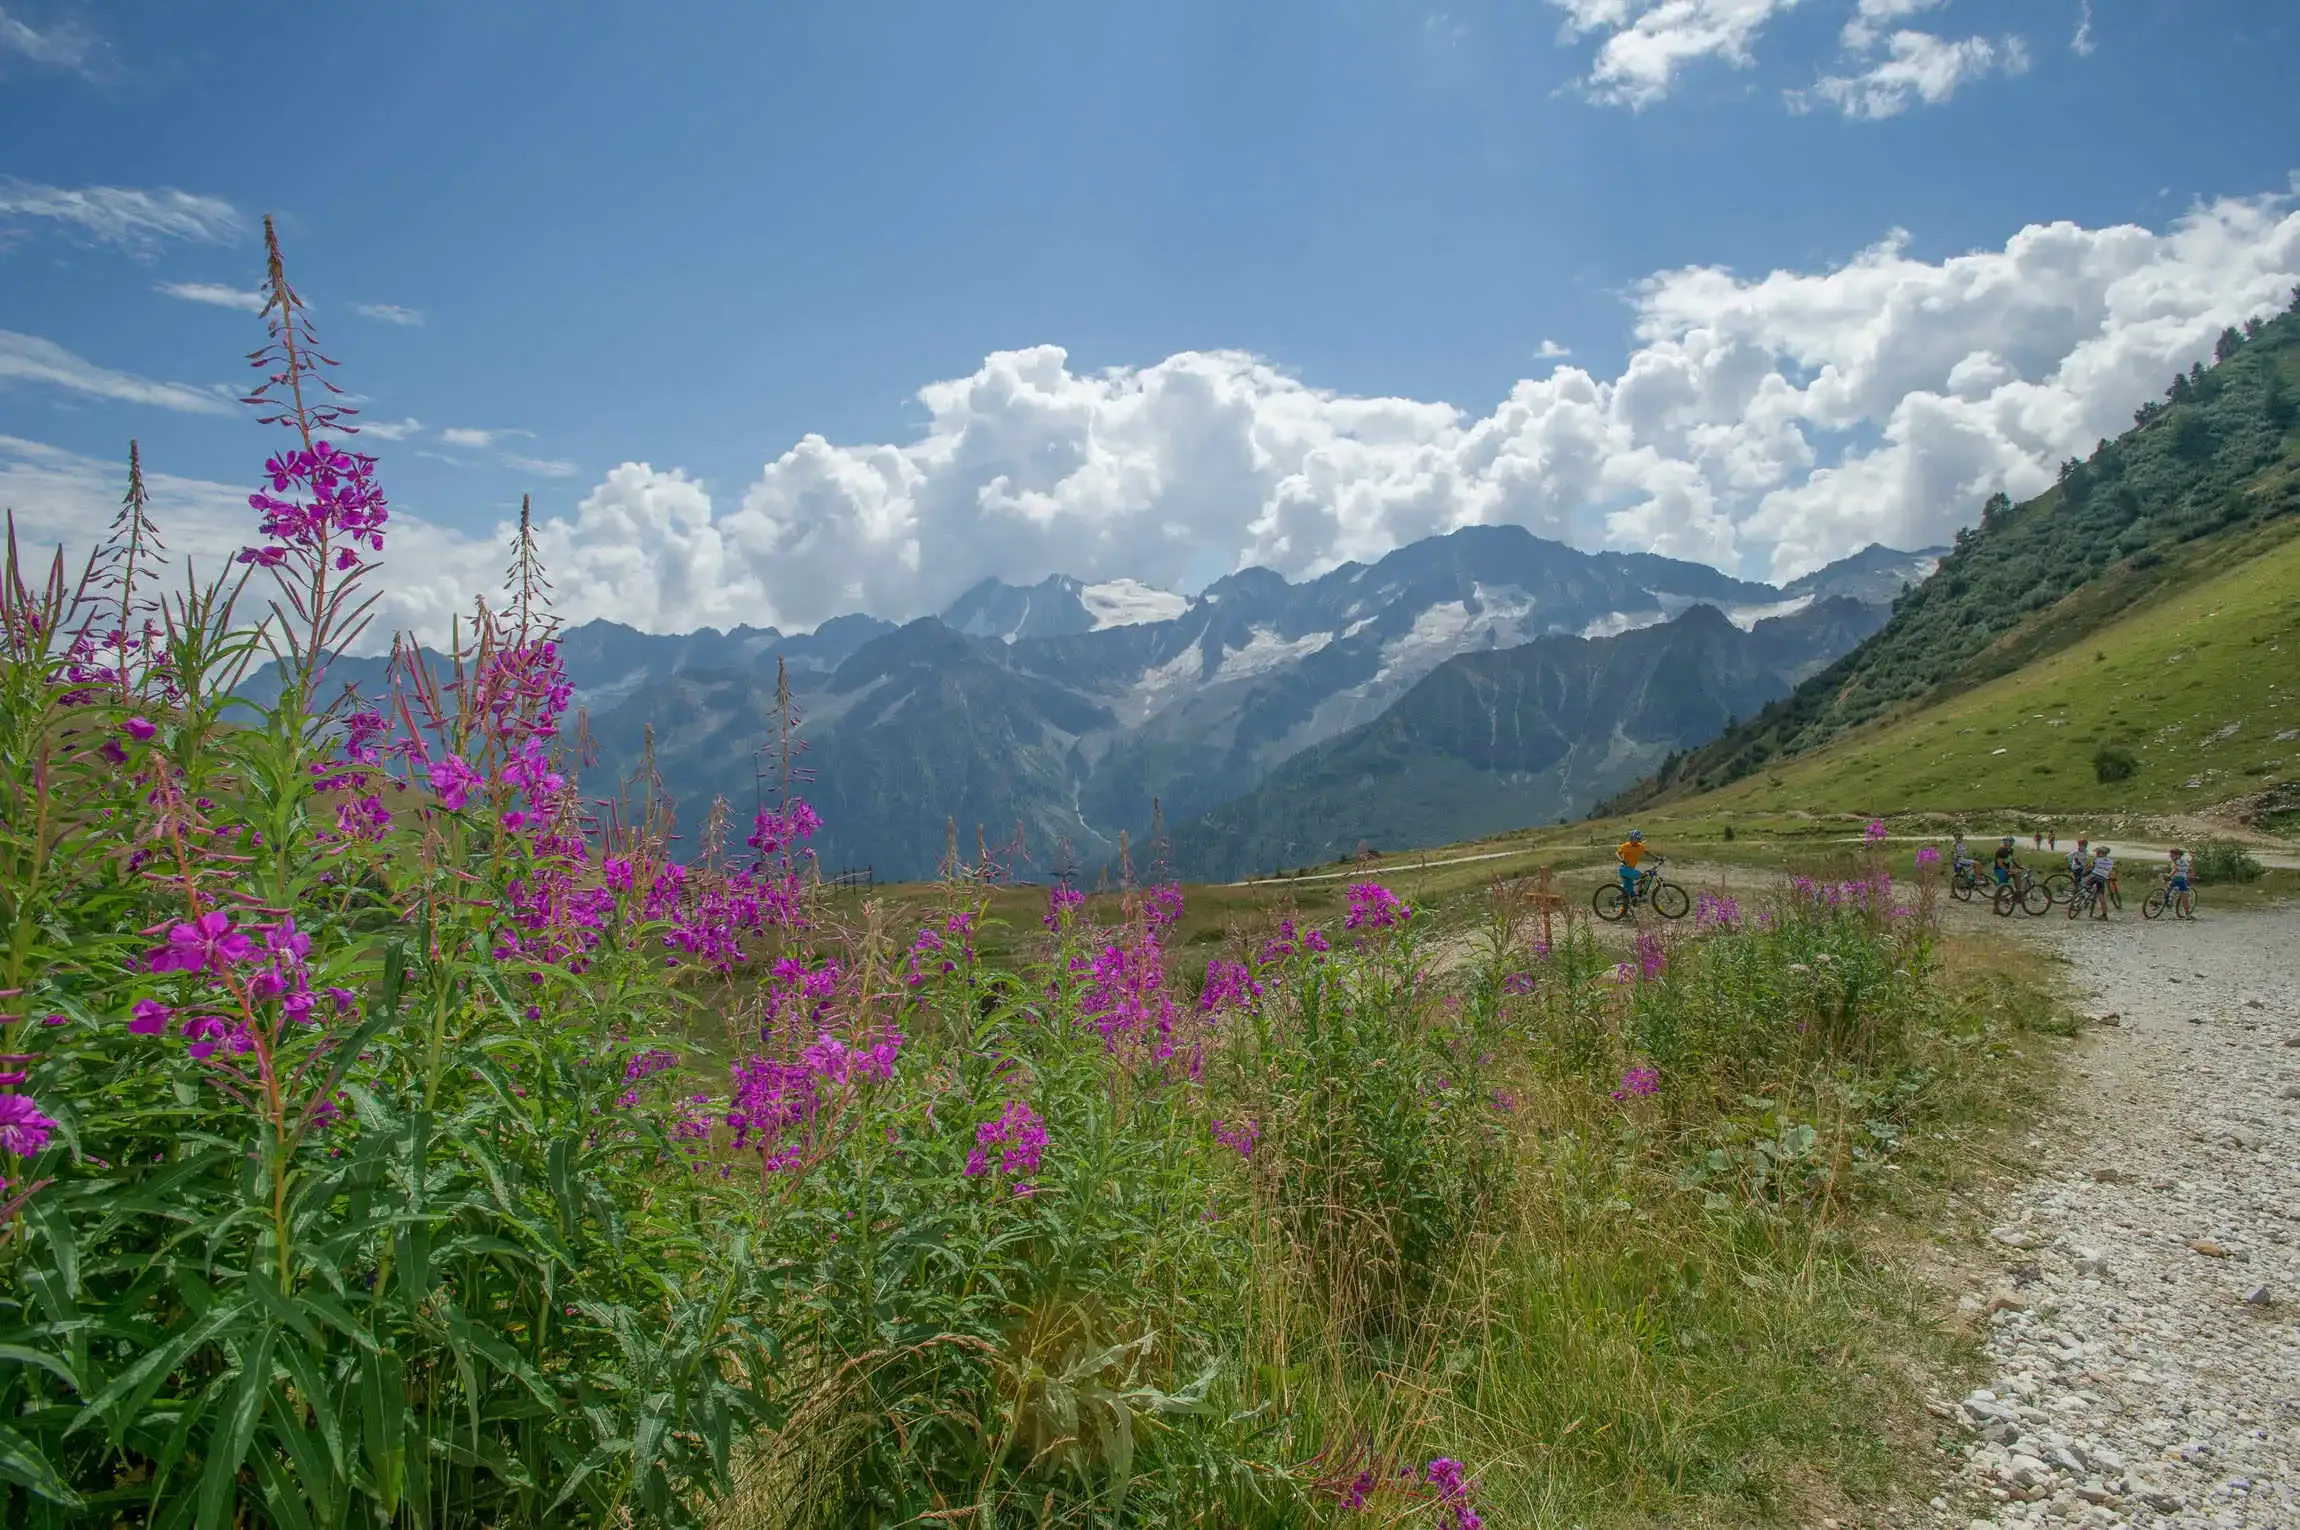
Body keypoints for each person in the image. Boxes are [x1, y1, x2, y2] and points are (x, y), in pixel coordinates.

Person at [1616, 830, 1650, 903]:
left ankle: (1622, 908)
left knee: (1629, 893)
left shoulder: (1640, 847)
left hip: (1630, 870)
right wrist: (1621, 860)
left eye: (1634, 838)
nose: (1632, 839)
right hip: (1624, 869)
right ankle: (1641, 895)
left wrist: (1656, 858)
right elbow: (1617, 853)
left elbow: (1646, 852)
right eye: (1631, 838)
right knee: (1643, 876)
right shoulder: (1626, 845)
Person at [2085, 845, 2116, 917]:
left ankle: (2084, 899)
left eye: (2098, 852)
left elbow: (2090, 866)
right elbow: (2110, 871)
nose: (2096, 853)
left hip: (2094, 876)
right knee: (2101, 895)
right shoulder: (2110, 861)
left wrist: (2086, 870)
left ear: (2100, 853)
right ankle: (2104, 915)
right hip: (2102, 879)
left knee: (2085, 885)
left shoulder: (2097, 859)